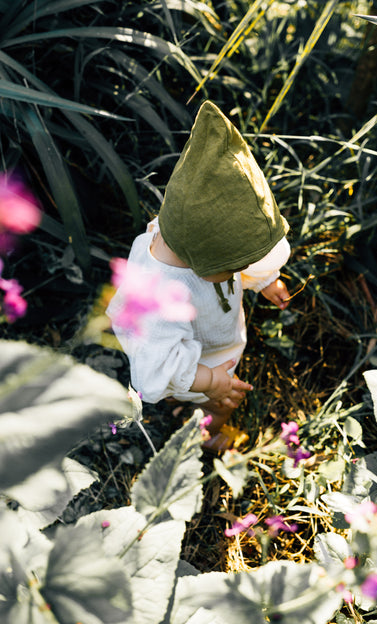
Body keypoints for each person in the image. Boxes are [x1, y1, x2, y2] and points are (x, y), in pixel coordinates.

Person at [107, 100, 291, 450]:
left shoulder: (188, 234)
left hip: (208, 341)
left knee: (201, 390)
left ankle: (185, 401)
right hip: (200, 360)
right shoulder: (160, 297)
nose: (240, 272)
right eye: (235, 268)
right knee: (222, 404)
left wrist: (266, 280)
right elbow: (153, 365)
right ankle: (207, 436)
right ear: (200, 259)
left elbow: (237, 252)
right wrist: (209, 381)